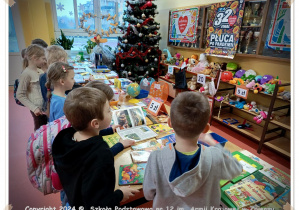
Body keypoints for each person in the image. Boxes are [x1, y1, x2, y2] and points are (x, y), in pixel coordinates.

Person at [143, 92, 242, 209]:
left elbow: (148, 195)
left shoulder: (156, 157)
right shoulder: (216, 156)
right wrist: (213, 143)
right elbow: (236, 168)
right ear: (206, 129)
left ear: (169, 123)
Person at [52, 87, 139, 209]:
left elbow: (87, 140)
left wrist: (117, 142)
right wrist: (119, 195)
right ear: (95, 123)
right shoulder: (100, 154)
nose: (111, 112)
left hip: (73, 199)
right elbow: (99, 203)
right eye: (108, 110)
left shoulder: (64, 137)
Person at [16, 44, 48, 131]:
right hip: (37, 110)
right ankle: (37, 144)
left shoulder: (40, 70)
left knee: (46, 128)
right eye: (43, 58)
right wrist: (34, 108)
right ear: (34, 58)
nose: (44, 61)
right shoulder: (26, 74)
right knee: (39, 130)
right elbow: (20, 95)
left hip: (44, 107)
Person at [40, 45, 68, 112]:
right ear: (62, 60)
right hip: (63, 109)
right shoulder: (61, 76)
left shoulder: (42, 76)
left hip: (50, 109)